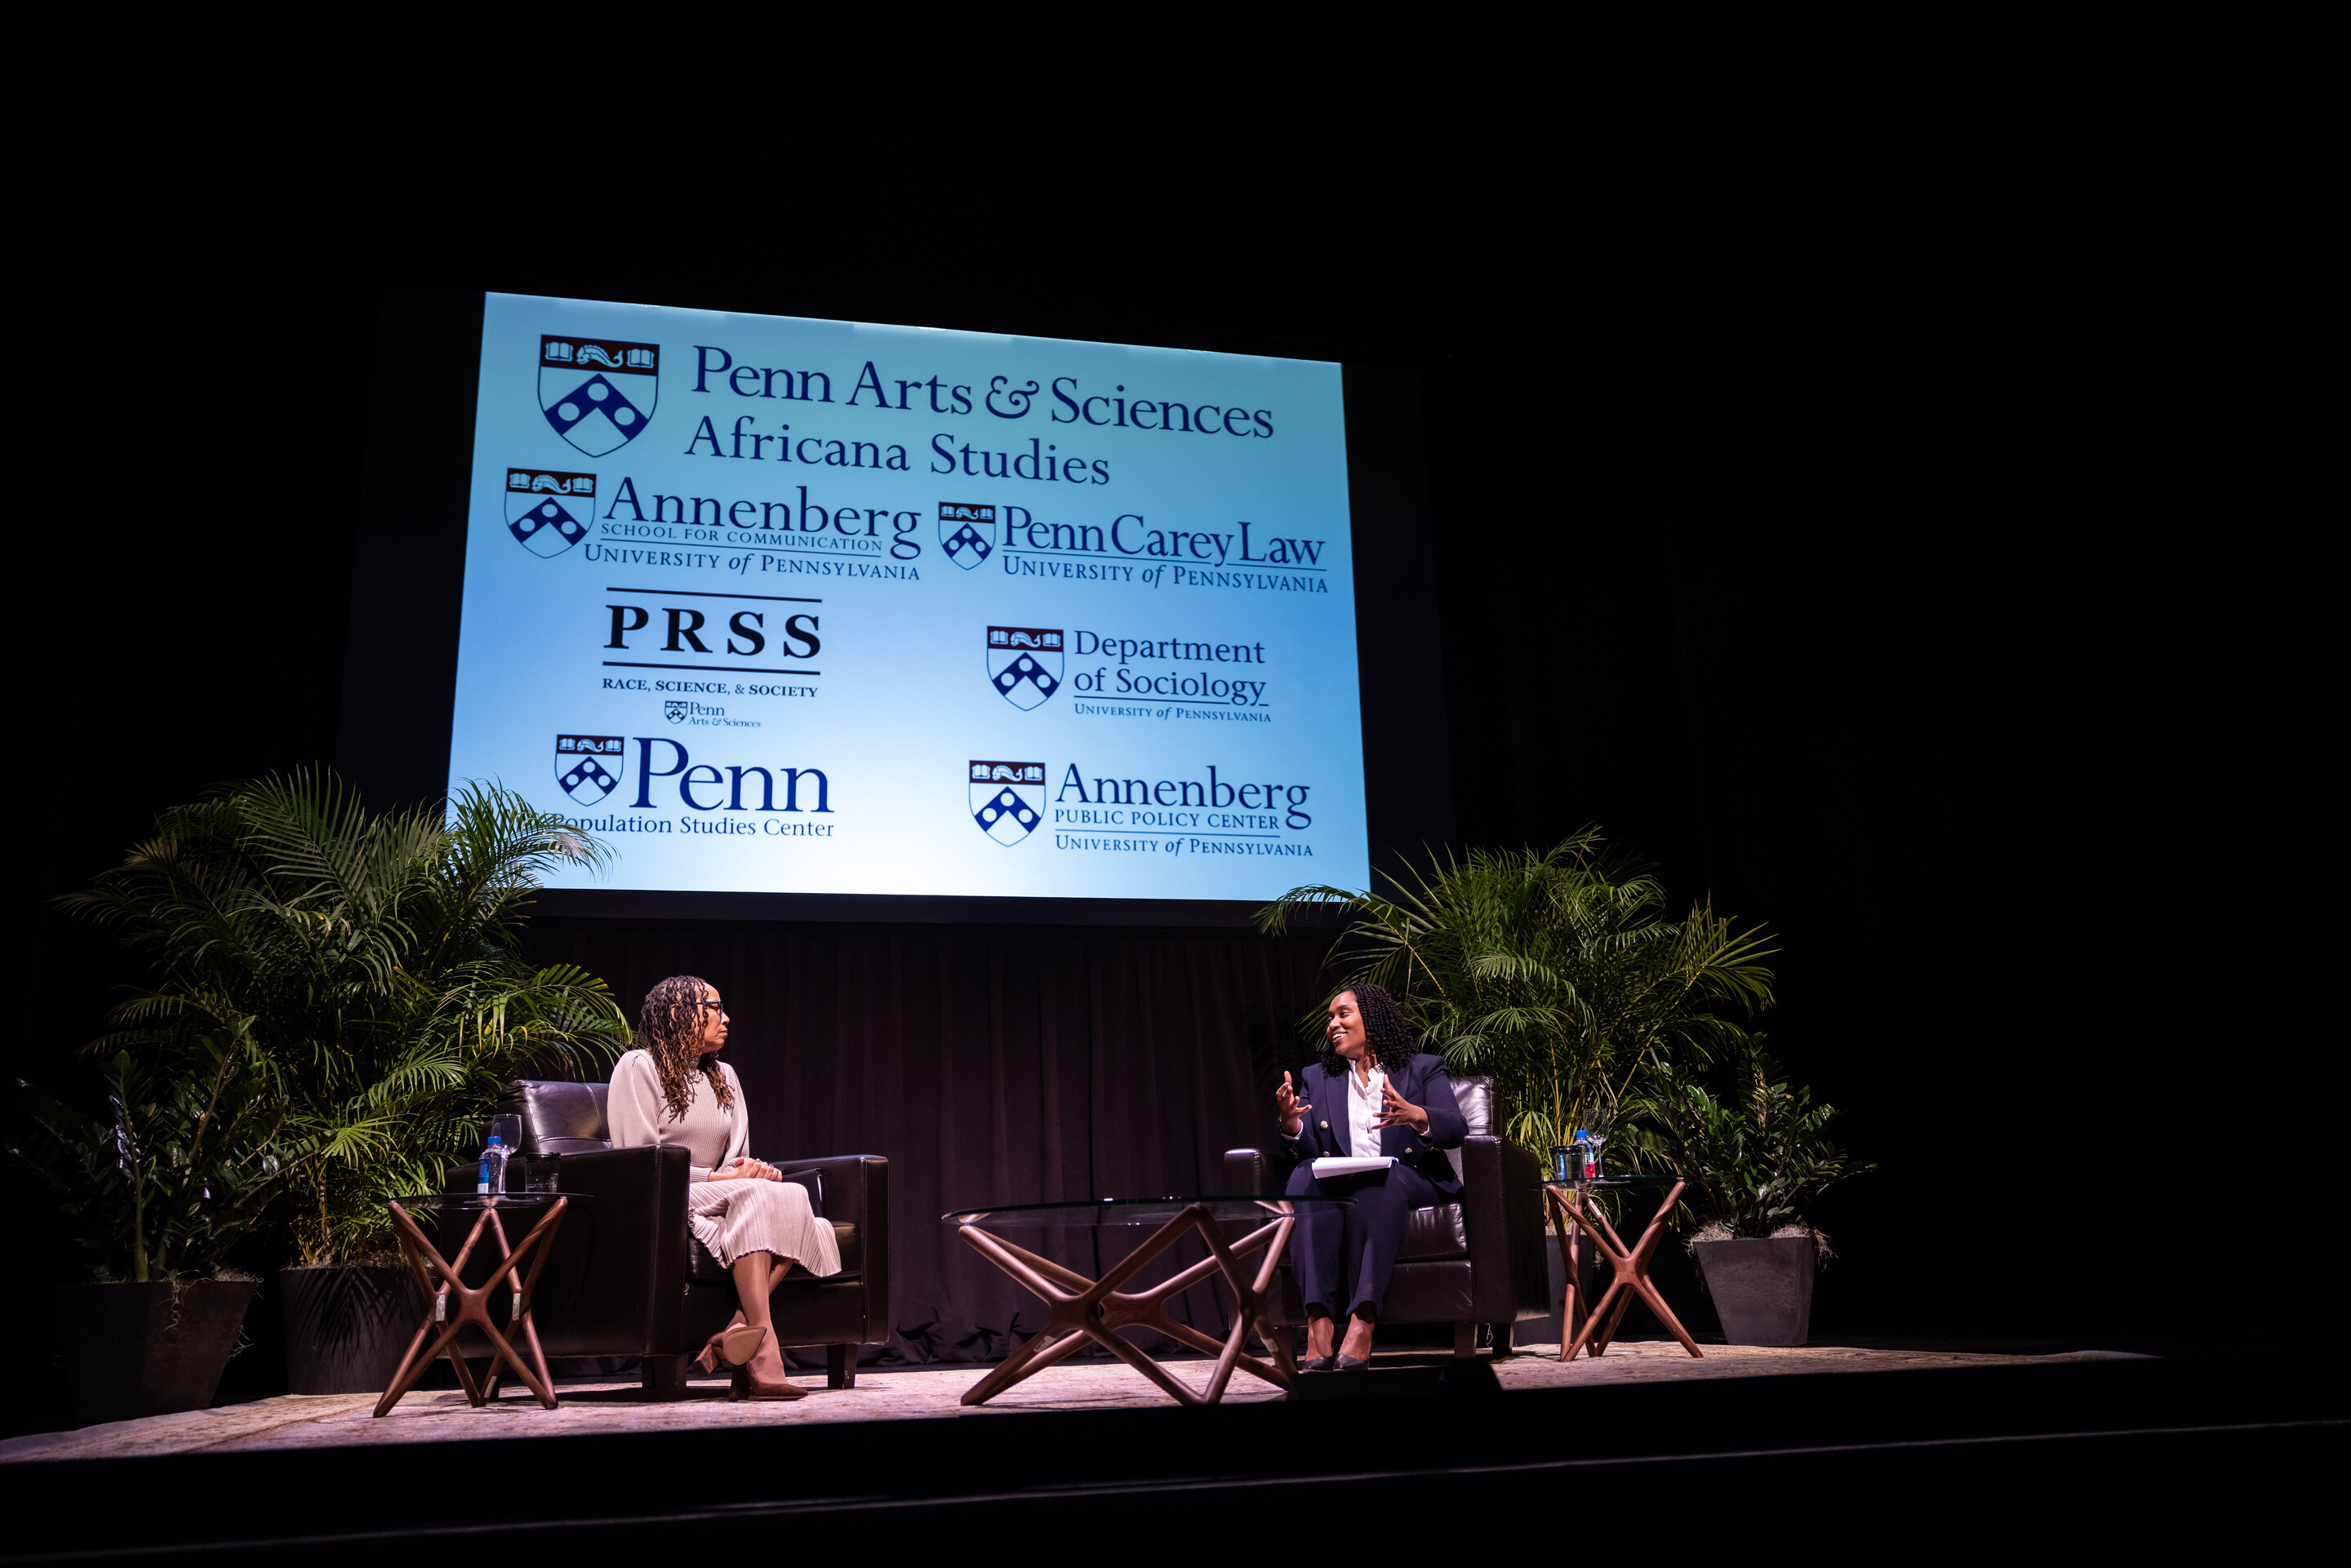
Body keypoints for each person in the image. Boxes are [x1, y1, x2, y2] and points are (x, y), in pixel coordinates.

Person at [608, 974, 841, 1401]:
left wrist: (752, 1170)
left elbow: (737, 1156)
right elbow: (642, 1163)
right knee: (758, 1197)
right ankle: (764, 1353)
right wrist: (725, 1179)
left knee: (791, 1195)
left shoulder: (724, 1075)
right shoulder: (638, 1066)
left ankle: (736, 1329)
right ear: (679, 1015)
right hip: (665, 1196)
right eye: (713, 1007)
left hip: (719, 1194)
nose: (726, 1017)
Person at [1273, 982, 1465, 1370]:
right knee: (1302, 1177)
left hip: (1405, 1178)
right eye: (1330, 1018)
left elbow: (1455, 1128)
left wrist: (1416, 1115)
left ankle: (1363, 1320)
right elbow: (1309, 1148)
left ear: (1372, 1019)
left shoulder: (1422, 1068)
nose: (1333, 1024)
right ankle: (1318, 1322)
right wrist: (1290, 1124)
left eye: (1343, 1014)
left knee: (1380, 1182)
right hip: (1338, 1181)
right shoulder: (1318, 1075)